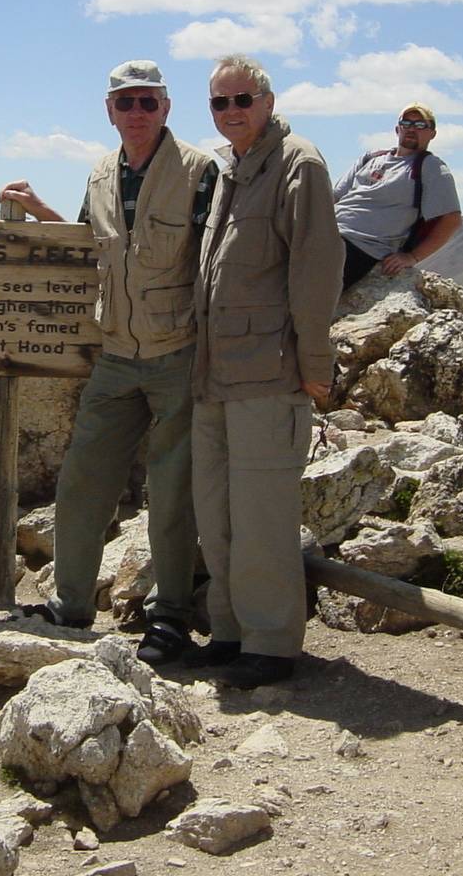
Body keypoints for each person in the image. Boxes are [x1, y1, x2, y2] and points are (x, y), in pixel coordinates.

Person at [0, 60, 217, 666]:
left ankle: (170, 616)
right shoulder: (99, 174)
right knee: (82, 481)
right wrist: (39, 210)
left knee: (171, 493)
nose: (138, 113)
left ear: (167, 108)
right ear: (109, 110)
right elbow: (89, 243)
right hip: (116, 354)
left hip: (178, 352)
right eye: (126, 103)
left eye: (148, 102)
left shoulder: (200, 170)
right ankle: (71, 605)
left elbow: (215, 261)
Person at [184, 54, 342, 689]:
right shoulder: (231, 169)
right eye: (219, 103)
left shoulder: (298, 163)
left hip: (270, 371)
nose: (230, 112)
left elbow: (315, 269)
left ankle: (272, 642)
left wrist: (315, 365)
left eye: (241, 99)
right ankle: (229, 630)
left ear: (268, 102)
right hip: (213, 373)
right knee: (216, 512)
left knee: (262, 515)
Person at [333, 102, 461, 288]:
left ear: (432, 133)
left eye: (420, 125)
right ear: (397, 129)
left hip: (361, 246)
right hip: (328, 231)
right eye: (406, 123)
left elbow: (452, 219)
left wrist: (412, 257)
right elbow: (334, 197)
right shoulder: (370, 158)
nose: (411, 129)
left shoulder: (430, 167)